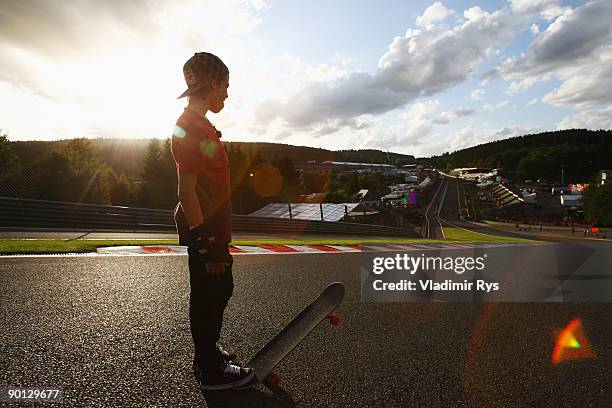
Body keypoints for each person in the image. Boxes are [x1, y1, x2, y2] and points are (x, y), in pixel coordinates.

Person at [171, 52, 254, 390]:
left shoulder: (201, 124)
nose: (228, 94)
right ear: (213, 84)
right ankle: (208, 366)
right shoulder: (189, 126)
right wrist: (207, 244)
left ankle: (209, 352)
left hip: (212, 229)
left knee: (219, 290)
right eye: (226, 86)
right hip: (206, 232)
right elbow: (186, 191)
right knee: (209, 293)